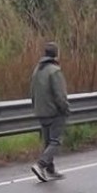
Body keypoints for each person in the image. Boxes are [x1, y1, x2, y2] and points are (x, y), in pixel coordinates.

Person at [29, 41, 70, 181]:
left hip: (41, 111)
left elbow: (32, 92)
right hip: (54, 111)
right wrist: (65, 108)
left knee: (47, 141)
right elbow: (60, 94)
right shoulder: (55, 71)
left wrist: (35, 107)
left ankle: (50, 169)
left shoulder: (37, 70)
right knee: (55, 141)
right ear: (56, 54)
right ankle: (41, 164)